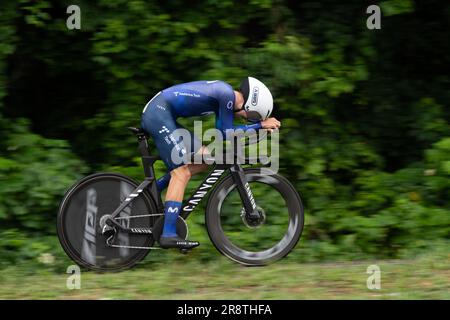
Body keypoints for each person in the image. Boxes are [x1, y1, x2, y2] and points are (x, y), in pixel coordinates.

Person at [141, 77, 281, 249]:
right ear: (250, 105)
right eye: (251, 116)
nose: (247, 120)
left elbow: (223, 131)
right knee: (182, 172)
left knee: (205, 159)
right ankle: (168, 233)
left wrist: (257, 127)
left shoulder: (224, 97)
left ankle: (156, 189)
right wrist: (260, 125)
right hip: (158, 113)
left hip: (164, 113)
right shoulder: (226, 94)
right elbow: (228, 133)